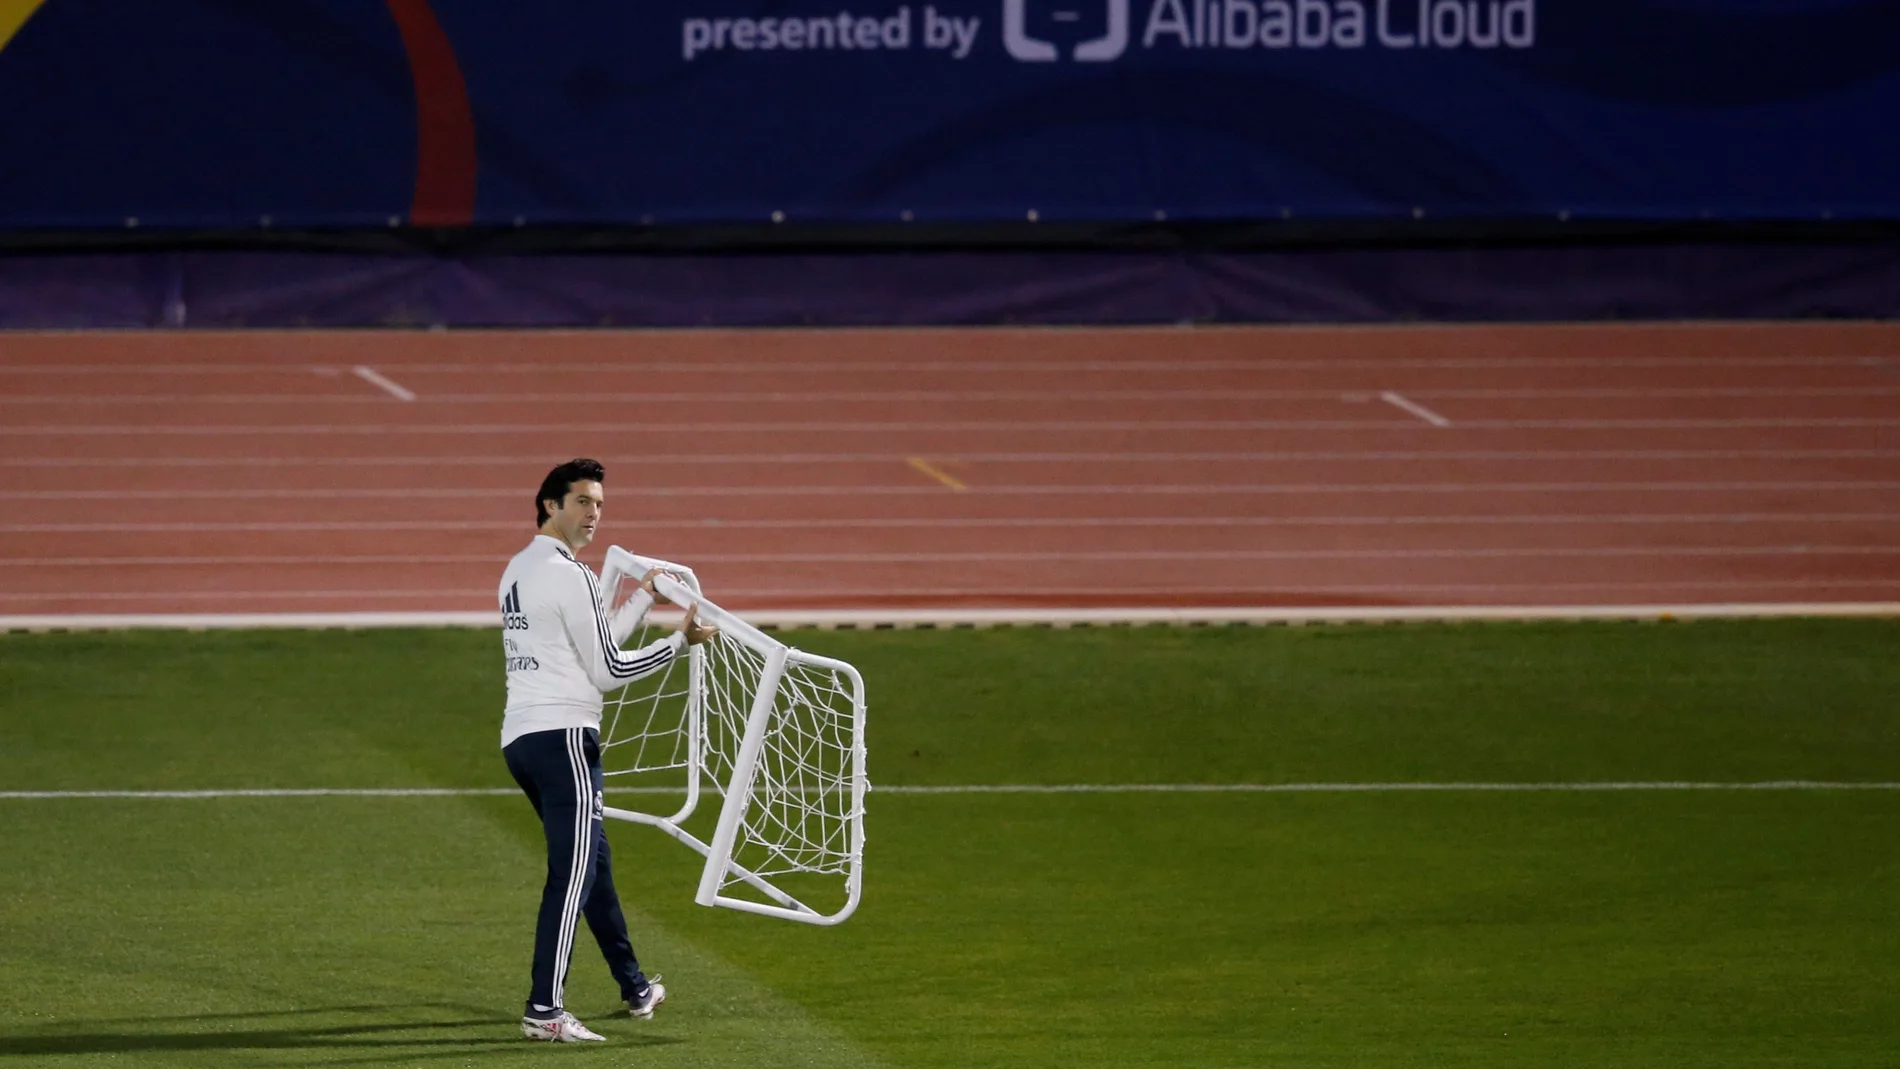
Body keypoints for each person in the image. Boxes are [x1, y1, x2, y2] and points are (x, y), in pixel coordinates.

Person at [497, 457, 716, 1043]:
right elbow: (611, 670)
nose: (594, 513)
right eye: (583, 502)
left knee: (592, 866)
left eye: (599, 503)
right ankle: (544, 1011)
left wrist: (642, 598)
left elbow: (591, 647)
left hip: (522, 738)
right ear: (551, 505)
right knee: (571, 875)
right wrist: (681, 641)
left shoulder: (520, 569)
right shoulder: (568, 574)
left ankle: (634, 985)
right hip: (564, 737)